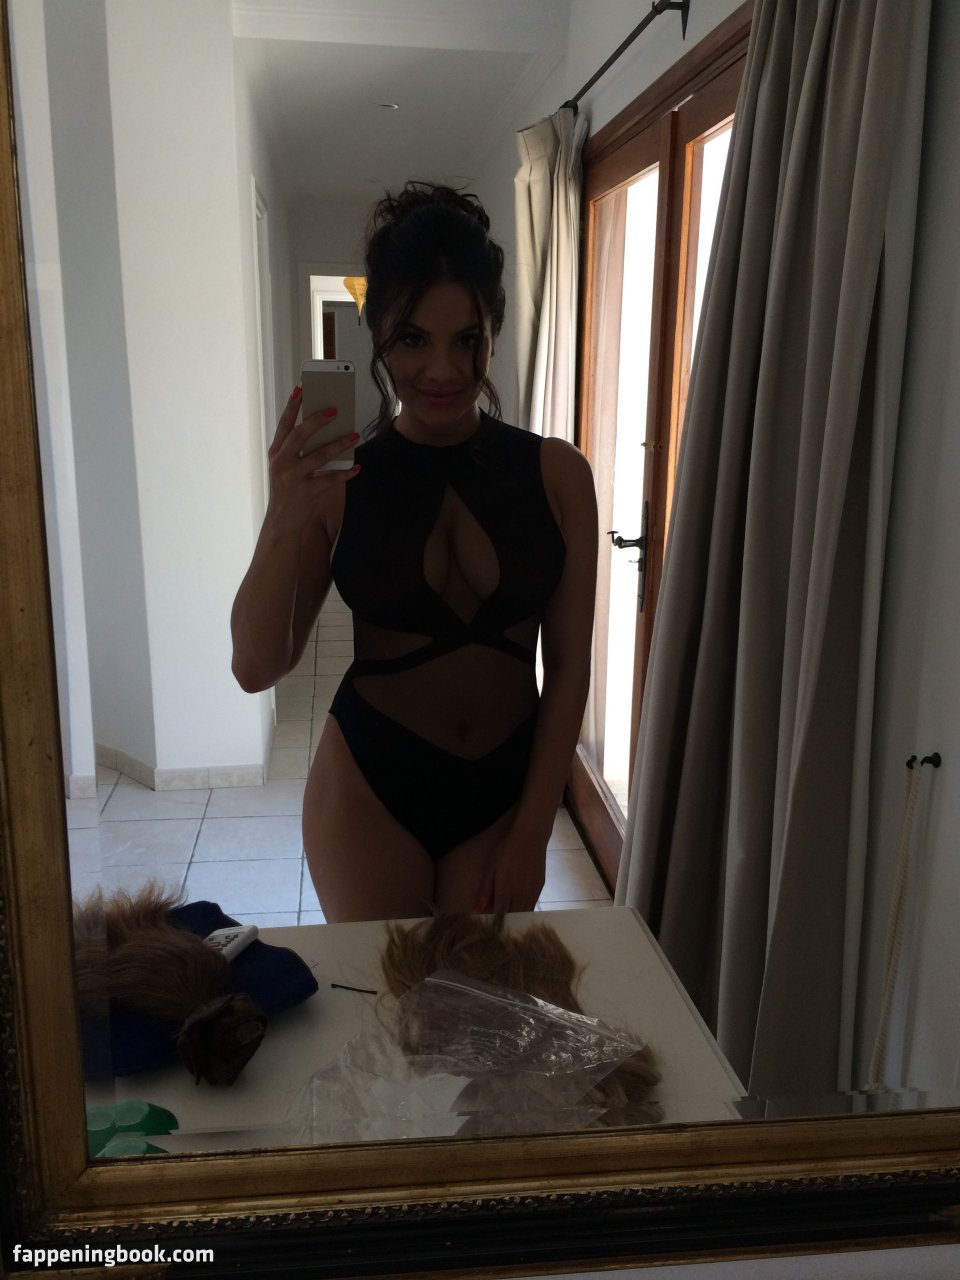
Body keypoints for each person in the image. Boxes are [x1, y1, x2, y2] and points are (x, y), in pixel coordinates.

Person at [231, 182, 597, 923]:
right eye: (413, 339)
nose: (444, 371)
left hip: (504, 792)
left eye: (467, 339)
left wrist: (534, 831)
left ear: (494, 331)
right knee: (382, 989)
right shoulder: (338, 484)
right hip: (368, 787)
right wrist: (283, 514)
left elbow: (568, 669)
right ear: (377, 337)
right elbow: (256, 667)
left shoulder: (558, 475)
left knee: (474, 995)